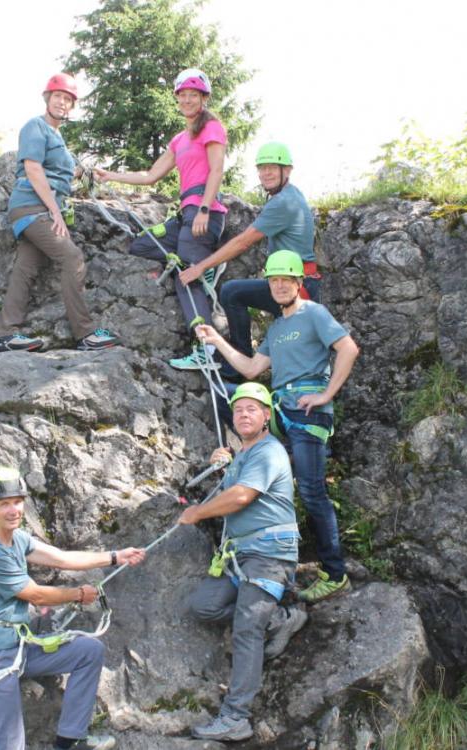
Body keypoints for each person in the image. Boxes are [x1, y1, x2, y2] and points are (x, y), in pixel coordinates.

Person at [195, 250, 359, 603]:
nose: (280, 285)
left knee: (313, 491)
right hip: (284, 412)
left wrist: (326, 394)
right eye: (274, 280)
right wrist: (217, 340)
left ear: (299, 282)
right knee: (233, 402)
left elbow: (348, 349)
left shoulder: (313, 313)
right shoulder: (278, 326)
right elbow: (253, 369)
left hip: (307, 412)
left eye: (286, 279)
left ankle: (335, 573)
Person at [0, 466, 145, 750]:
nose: (14, 510)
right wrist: (78, 594)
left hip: (20, 646)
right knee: (9, 746)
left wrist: (114, 557)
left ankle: (70, 741)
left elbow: (61, 558)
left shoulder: (17, 539)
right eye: (5, 504)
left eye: (18, 502)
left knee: (88, 651)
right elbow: (36, 595)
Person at [177, 382, 307, 742]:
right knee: (203, 606)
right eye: (238, 410)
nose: (244, 415)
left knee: (247, 628)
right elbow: (233, 486)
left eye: (252, 409)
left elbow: (241, 497)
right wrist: (224, 466)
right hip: (241, 557)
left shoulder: (269, 451)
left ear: (267, 416)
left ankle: (236, 717)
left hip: (268, 556)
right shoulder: (244, 457)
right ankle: (281, 619)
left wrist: (197, 513)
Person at [94, 68, 227, 368]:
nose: (188, 100)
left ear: (203, 99)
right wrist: (110, 175)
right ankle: (199, 264)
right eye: (183, 95)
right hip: (184, 215)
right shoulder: (179, 139)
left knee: (185, 278)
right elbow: (151, 175)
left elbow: (216, 170)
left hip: (202, 211)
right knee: (142, 244)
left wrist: (205, 208)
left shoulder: (212, 128)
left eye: (194, 95)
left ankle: (207, 349)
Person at [0, 73, 120, 353]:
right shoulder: (35, 126)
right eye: (59, 96)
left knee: (26, 268)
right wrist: (55, 212)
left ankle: (5, 334)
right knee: (72, 256)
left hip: (34, 210)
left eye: (68, 99)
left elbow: (59, 172)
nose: (63, 103)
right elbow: (33, 169)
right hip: (33, 207)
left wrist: (84, 172)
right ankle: (85, 333)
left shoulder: (57, 137)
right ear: (48, 98)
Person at [178, 141, 318, 378]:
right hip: (295, 282)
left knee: (232, 293)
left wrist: (200, 267)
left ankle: (238, 363)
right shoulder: (289, 195)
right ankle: (243, 362)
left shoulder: (283, 202)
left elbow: (244, 241)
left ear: (288, 170)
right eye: (262, 168)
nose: (266, 173)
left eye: (273, 167)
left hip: (294, 287)